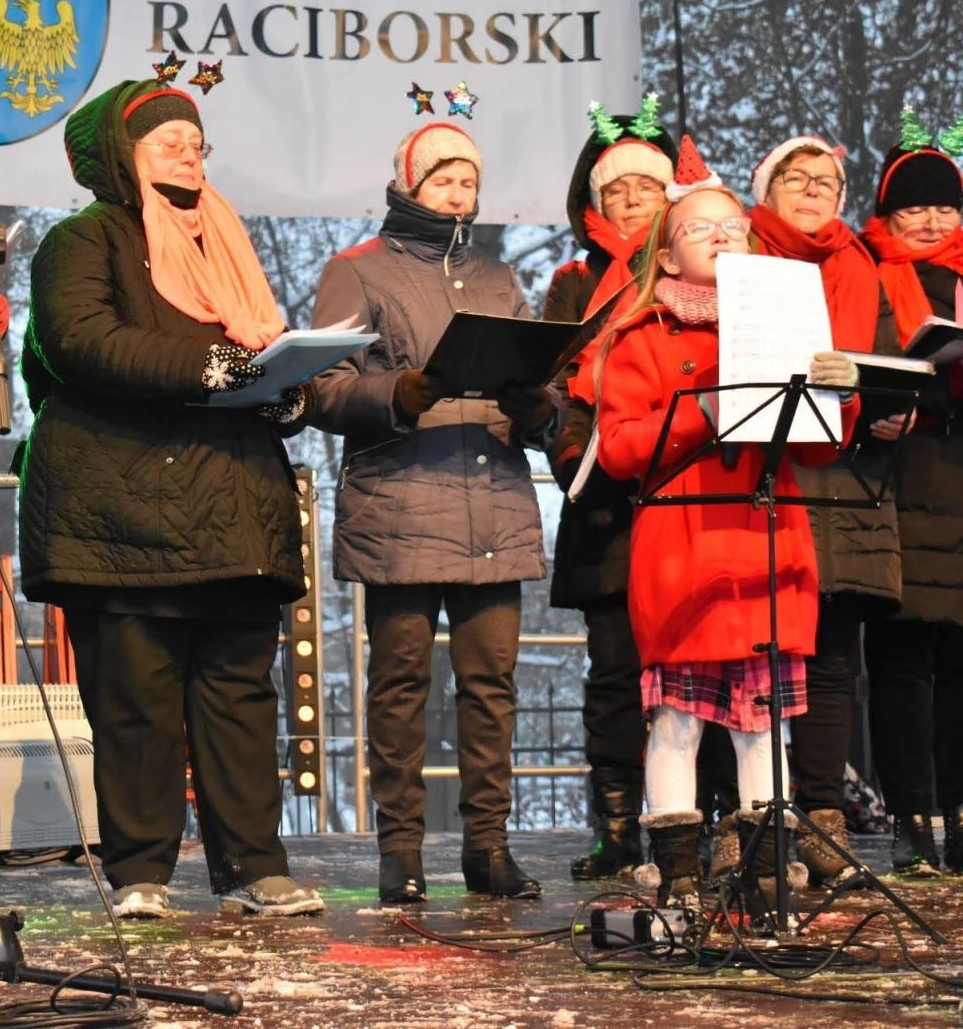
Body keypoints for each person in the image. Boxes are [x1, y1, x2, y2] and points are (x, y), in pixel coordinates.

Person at [18, 79, 322, 919]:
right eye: (167, 140)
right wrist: (216, 369)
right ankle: (142, 874)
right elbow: (81, 344)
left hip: (233, 507)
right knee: (136, 703)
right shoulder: (83, 240)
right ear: (122, 156)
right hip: (122, 509)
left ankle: (257, 869)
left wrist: (289, 391)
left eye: (196, 138)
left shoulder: (229, 246)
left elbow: (258, 354)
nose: (190, 150)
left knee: (239, 699)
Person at [593, 138, 859, 915]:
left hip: (767, 546)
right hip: (683, 551)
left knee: (762, 726)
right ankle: (675, 866)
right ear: (668, 257)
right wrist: (702, 412)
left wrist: (837, 393)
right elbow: (616, 449)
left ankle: (767, 869)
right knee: (676, 721)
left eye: (734, 228)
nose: (722, 236)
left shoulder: (783, 328)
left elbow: (818, 444)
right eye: (701, 228)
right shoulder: (640, 335)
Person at [309, 123, 554, 903]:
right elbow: (322, 387)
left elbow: (548, 390)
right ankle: (401, 855)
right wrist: (397, 394)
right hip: (401, 507)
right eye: (444, 179)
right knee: (401, 682)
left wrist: (539, 407)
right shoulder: (356, 271)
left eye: (469, 183)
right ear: (409, 184)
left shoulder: (497, 276)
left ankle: (488, 849)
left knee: (493, 685)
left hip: (496, 506)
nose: (459, 193)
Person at [747, 135, 899, 887]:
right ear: (767, 187)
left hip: (838, 476)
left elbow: (884, 362)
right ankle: (743, 819)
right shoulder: (739, 252)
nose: (813, 192)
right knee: (751, 655)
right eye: (796, 178)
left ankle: (821, 820)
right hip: (757, 468)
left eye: (828, 182)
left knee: (831, 658)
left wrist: (877, 400)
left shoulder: (857, 266)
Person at [542, 106, 675, 880]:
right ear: (595, 202)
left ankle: (703, 820)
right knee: (615, 672)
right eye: (616, 191)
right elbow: (552, 381)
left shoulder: (700, 271)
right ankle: (619, 828)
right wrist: (566, 445)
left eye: (644, 190)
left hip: (688, 493)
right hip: (604, 500)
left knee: (698, 669)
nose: (630, 203)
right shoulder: (573, 282)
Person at [858, 128, 963, 877]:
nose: (929, 222)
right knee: (901, 664)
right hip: (895, 477)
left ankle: (957, 815)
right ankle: (911, 819)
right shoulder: (863, 272)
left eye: (943, 208)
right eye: (912, 209)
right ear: (886, 217)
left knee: (959, 665)